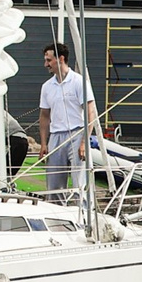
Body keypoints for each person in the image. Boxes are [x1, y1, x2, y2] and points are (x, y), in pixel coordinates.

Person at [37, 42, 100, 193]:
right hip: (56, 136)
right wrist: (44, 143)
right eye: (45, 60)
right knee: (54, 185)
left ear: (61, 59)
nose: (46, 64)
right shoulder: (47, 86)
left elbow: (90, 112)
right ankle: (57, 212)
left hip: (77, 134)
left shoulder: (78, 81)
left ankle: (84, 213)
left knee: (80, 184)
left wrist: (84, 142)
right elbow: (44, 116)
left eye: (49, 60)